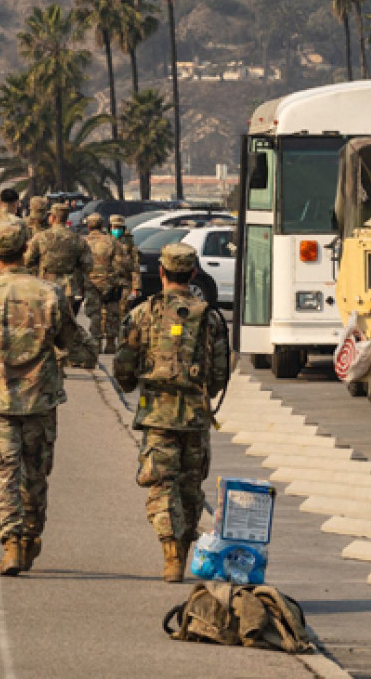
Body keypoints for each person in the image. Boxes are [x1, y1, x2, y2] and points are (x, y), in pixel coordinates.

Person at [0, 215, 97, 576]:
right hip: (40, 400)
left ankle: (12, 542)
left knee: (2, 474)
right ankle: (30, 536)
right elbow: (74, 345)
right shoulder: (50, 293)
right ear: (26, 250)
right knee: (35, 475)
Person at [113, 242, 231, 581]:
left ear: (162, 273)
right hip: (195, 417)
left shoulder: (142, 313)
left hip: (157, 416)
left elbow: (124, 365)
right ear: (193, 273)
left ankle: (171, 554)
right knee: (190, 486)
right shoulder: (210, 317)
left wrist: (131, 385)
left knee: (161, 485)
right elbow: (220, 374)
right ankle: (184, 545)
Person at [23, 202, 89, 307]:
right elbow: (88, 264)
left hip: (45, 285)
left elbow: (26, 260)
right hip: (69, 287)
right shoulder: (77, 239)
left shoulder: (40, 237)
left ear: (52, 217)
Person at [83, 214, 127, 352]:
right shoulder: (113, 242)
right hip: (110, 282)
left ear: (88, 226)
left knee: (95, 313)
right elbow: (121, 264)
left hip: (90, 282)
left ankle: (96, 342)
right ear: (103, 226)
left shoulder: (83, 242)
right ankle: (110, 343)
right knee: (112, 313)